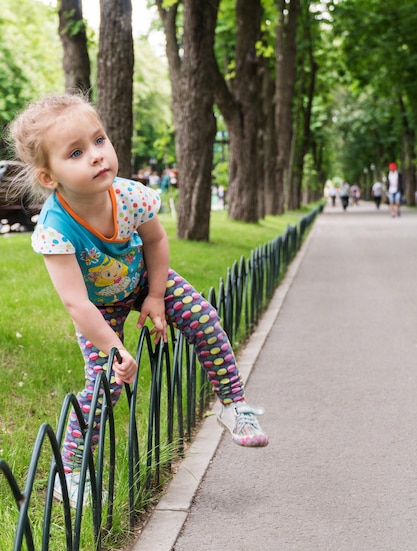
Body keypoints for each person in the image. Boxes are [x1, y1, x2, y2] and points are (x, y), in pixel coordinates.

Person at [8, 93, 268, 506]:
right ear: (48, 177)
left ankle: (234, 405)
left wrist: (157, 295)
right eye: (76, 152)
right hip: (98, 306)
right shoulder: (56, 228)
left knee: (203, 316)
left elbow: (156, 239)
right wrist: (114, 349)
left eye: (99, 140)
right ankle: (70, 475)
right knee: (104, 385)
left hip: (145, 278)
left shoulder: (129, 195)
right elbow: (77, 305)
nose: (96, 155)